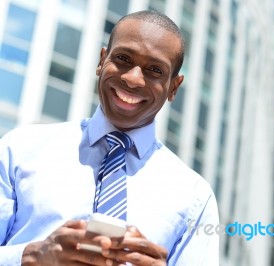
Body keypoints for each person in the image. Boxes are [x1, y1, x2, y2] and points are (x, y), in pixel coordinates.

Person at [0, 10, 219, 266]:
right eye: (123, 58)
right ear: (102, 60)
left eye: (155, 70)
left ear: (173, 87)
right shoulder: (21, 149)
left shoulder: (194, 197)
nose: (133, 79)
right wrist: (32, 257)